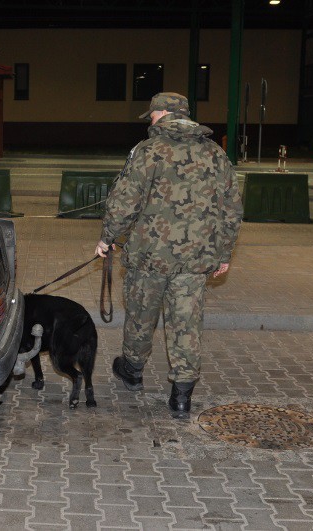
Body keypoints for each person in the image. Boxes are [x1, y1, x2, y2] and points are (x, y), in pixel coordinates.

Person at [95, 92, 242, 419]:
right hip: (195, 259)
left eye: (152, 114)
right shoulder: (215, 154)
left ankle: (132, 371)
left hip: (150, 257)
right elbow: (231, 209)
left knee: (141, 314)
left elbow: (124, 201)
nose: (149, 120)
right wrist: (224, 253)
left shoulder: (147, 151)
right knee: (186, 322)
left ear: (164, 114)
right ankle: (181, 397)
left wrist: (108, 237)